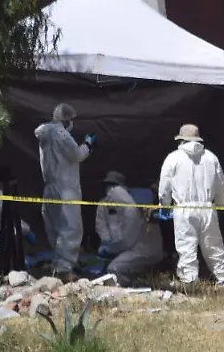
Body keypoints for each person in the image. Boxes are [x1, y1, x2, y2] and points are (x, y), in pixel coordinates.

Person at [157, 124, 224, 287]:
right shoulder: (211, 157)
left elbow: (164, 186)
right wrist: (221, 204)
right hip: (207, 208)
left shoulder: (173, 158)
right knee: (213, 244)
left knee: (186, 246)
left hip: (184, 209)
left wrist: (164, 205)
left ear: (181, 140)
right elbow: (220, 184)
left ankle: (189, 280)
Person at [35, 103, 96, 281]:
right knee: (70, 228)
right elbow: (77, 154)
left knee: (56, 227)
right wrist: (88, 144)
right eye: (71, 120)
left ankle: (60, 262)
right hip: (66, 188)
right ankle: (64, 268)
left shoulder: (45, 135)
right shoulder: (60, 134)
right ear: (66, 119)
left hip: (50, 187)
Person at [95, 171, 165, 286]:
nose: (110, 190)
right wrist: (107, 243)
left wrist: (113, 248)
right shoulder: (104, 204)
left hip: (141, 248)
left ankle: (134, 284)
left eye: (113, 187)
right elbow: (101, 225)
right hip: (119, 246)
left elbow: (129, 236)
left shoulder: (138, 202)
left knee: (114, 268)